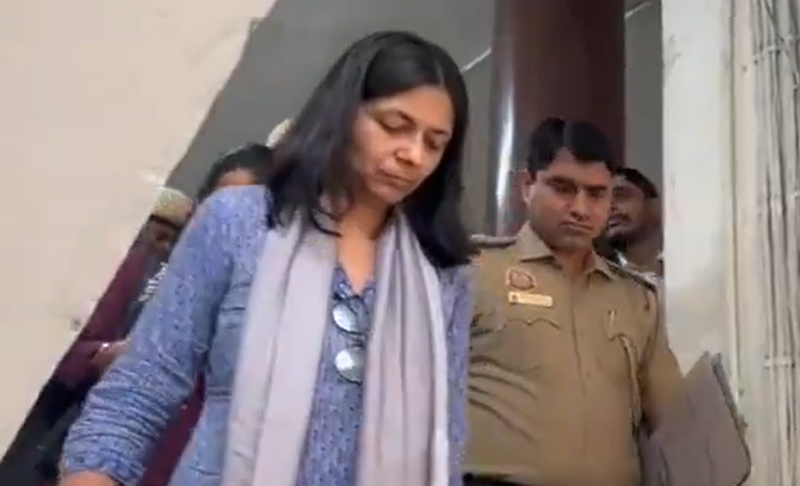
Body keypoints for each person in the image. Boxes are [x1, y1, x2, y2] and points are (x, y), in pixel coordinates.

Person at [59, 30, 474, 486]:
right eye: (394, 126)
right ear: (342, 115)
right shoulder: (238, 223)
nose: (413, 155)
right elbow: (141, 388)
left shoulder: (442, 274)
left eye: (435, 143)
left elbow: (445, 438)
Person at [464, 118, 684, 486]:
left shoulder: (635, 299)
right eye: (563, 188)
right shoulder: (474, 273)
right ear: (526, 186)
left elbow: (674, 420)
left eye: (597, 194)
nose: (580, 208)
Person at [605, 167, 663, 276]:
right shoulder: (591, 278)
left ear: (653, 204)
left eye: (620, 195)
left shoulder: (688, 260)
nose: (608, 208)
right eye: (602, 201)